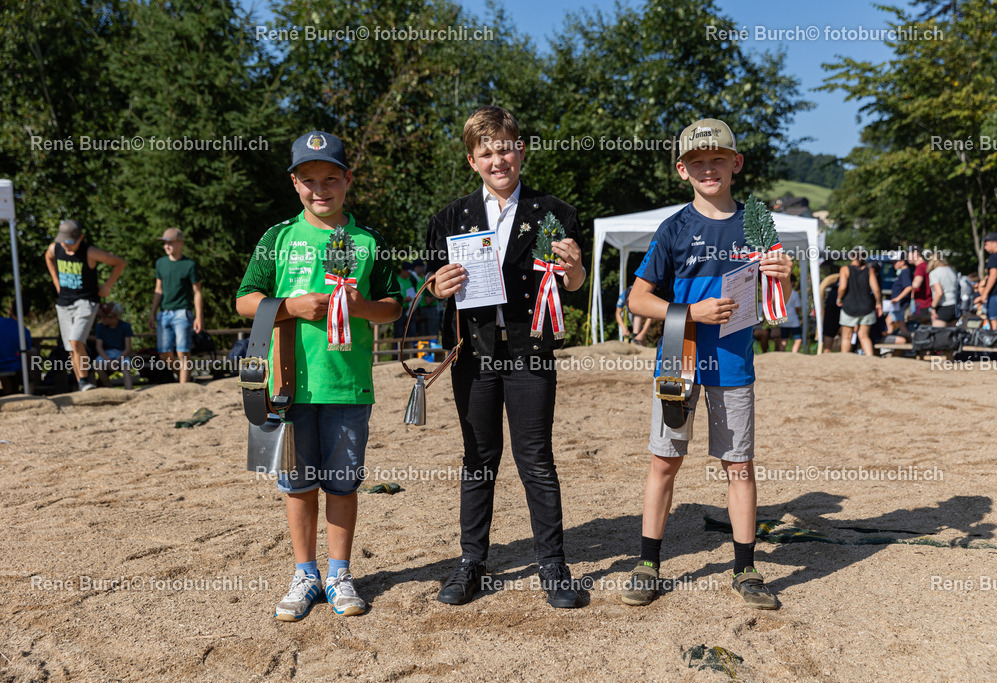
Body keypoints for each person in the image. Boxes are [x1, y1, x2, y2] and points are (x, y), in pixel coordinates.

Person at [621, 118, 792, 610]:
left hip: (734, 363)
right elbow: (637, 299)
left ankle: (746, 570)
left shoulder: (757, 222)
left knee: (738, 465)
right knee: (664, 462)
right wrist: (689, 312)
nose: (708, 168)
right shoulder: (674, 227)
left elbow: (777, 301)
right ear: (682, 169)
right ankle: (647, 565)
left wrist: (785, 275)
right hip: (679, 356)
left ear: (736, 163)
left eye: (718, 159)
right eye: (698, 162)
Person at [236, 131, 402, 621]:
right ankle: (304, 573)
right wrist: (289, 306)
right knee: (296, 483)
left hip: (349, 387)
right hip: (286, 389)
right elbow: (245, 299)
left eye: (331, 177)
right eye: (309, 180)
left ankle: (340, 574)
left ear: (348, 179)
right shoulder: (278, 237)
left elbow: (392, 307)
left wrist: (363, 307)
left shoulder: (370, 241)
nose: (320, 188)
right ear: (295, 183)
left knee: (344, 484)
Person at [426, 106, 587, 609]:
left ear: (521, 151)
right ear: (472, 159)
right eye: (486, 151)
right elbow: (431, 286)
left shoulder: (555, 212)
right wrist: (438, 286)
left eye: (506, 148)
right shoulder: (448, 218)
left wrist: (577, 268)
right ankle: (472, 563)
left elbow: (576, 290)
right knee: (478, 459)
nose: (499, 159)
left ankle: (553, 566)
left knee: (535, 458)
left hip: (530, 351)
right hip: (472, 355)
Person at [43, 219, 126, 392]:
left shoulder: (90, 252)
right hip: (64, 304)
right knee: (71, 348)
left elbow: (119, 263)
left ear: (80, 238)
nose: (66, 246)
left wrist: (107, 286)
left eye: (71, 242)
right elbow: (48, 258)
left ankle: (84, 380)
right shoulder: (55, 248)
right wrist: (56, 283)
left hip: (86, 301)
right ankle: (83, 384)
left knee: (76, 340)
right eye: (64, 241)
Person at [148, 228, 203, 384]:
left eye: (170, 243)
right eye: (165, 243)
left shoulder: (189, 265)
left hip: (182, 313)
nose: (167, 246)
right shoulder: (160, 263)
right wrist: (153, 313)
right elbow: (158, 290)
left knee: (183, 352)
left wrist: (199, 317)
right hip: (164, 314)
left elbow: (197, 292)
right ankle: (184, 376)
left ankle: (183, 387)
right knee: (164, 354)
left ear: (181, 244)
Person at [836, 247, 882, 356]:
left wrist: (839, 298)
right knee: (864, 336)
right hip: (867, 307)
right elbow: (876, 289)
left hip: (849, 307)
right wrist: (878, 303)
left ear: (851, 256)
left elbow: (842, 287)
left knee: (847, 337)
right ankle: (870, 359)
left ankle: (844, 361)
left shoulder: (845, 269)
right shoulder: (869, 270)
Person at [94, 302, 134, 389]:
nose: (102, 319)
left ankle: (129, 391)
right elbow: (99, 347)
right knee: (98, 366)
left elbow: (128, 348)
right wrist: (108, 361)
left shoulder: (125, 326)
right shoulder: (99, 327)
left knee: (126, 369)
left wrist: (117, 361)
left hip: (122, 354)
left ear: (114, 317)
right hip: (106, 354)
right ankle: (110, 389)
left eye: (105, 317)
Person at [0, 305, 32, 395]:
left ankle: (10, 393)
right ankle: (29, 395)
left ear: (11, 310)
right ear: (28, 314)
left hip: (3, 364)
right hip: (15, 366)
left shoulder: (1, 322)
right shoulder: (24, 331)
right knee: (31, 357)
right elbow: (27, 350)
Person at [927, 254, 958, 328]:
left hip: (944, 306)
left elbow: (939, 293)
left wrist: (933, 307)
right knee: (952, 335)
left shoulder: (934, 273)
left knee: (937, 334)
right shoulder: (952, 270)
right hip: (955, 305)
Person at [886, 252, 913, 338]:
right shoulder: (903, 272)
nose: (894, 264)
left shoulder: (905, 272)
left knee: (889, 321)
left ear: (902, 261)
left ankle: (888, 345)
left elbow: (909, 287)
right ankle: (910, 344)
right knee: (900, 324)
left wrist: (898, 298)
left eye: (895, 262)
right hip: (898, 304)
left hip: (899, 304)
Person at [777, 275, 802, 353]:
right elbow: (797, 308)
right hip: (793, 320)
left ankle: (781, 355)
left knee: (783, 339)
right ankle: (794, 355)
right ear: (792, 282)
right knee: (798, 339)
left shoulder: (778, 294)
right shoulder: (794, 293)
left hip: (782, 320)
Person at [907, 245, 932, 321]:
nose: (907, 257)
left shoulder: (920, 267)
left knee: (918, 325)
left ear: (915, 253)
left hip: (922, 304)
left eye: (908, 254)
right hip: (922, 303)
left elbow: (916, 284)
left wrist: (904, 287)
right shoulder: (925, 265)